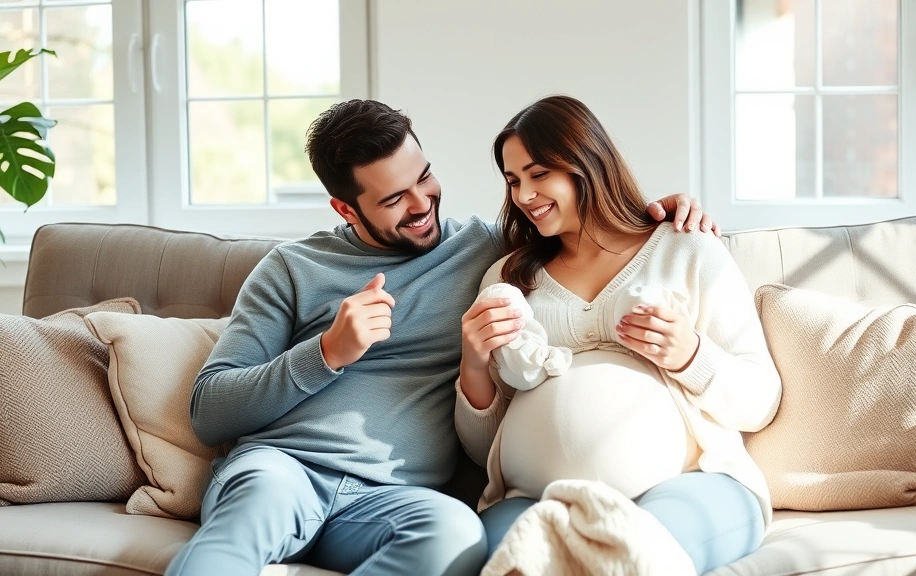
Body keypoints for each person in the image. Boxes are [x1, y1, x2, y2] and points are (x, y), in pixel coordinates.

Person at [164, 98, 716, 576]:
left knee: (458, 536)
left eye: (423, 177)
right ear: (343, 207)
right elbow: (210, 411)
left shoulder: (490, 253)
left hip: (396, 501)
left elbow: (579, 226)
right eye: (392, 199)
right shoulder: (291, 267)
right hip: (284, 471)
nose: (422, 203)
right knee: (253, 507)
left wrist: (660, 216)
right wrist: (327, 353)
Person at [456, 95, 782, 574]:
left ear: (586, 162)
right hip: (533, 501)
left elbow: (762, 402)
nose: (524, 195)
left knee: (640, 557)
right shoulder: (507, 280)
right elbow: (483, 450)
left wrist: (690, 354)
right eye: (513, 180)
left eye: (539, 173)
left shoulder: (687, 250)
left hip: (693, 483)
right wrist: (474, 362)